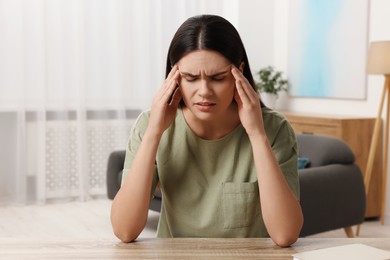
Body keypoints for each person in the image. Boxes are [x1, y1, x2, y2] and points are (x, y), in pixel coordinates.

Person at [111, 14, 303, 247]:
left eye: (218, 78)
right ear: (174, 76)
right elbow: (124, 229)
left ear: (239, 73)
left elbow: (285, 235)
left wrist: (256, 134)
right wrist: (154, 132)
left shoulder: (274, 129)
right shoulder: (149, 125)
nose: (204, 91)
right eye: (190, 78)